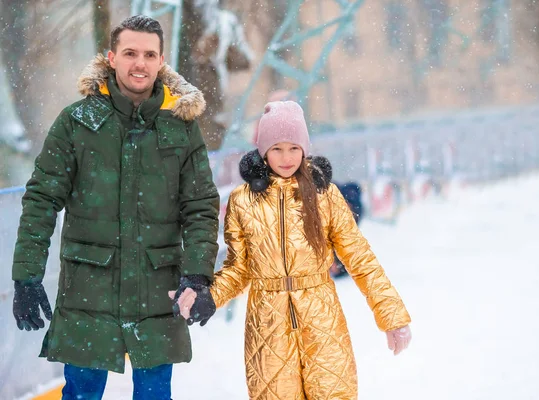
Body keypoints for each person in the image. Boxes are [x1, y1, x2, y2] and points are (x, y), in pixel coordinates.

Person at [11, 15, 219, 399]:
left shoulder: (181, 126)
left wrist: (198, 276)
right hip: (88, 289)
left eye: (149, 54)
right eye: (130, 53)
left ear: (160, 61)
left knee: (155, 394)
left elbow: (201, 206)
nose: (139, 63)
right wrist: (26, 276)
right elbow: (41, 198)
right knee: (81, 394)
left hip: (158, 291)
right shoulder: (77, 122)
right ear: (111, 58)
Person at [174, 101, 412, 399]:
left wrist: (392, 316)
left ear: (304, 149)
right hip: (268, 326)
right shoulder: (243, 201)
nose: (286, 158)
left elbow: (361, 259)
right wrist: (209, 296)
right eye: (276, 149)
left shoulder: (325, 194)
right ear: (263, 151)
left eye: (293, 148)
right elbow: (239, 268)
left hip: (322, 319)